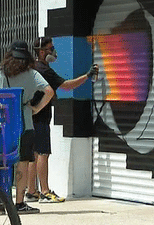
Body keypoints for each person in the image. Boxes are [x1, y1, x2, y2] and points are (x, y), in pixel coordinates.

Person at [25, 36, 98, 203]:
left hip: (30, 117)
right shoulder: (45, 71)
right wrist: (87, 76)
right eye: (50, 49)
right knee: (43, 153)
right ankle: (44, 191)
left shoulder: (32, 68)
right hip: (41, 117)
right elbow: (67, 85)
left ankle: (31, 191)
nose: (53, 51)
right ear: (42, 52)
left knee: (33, 155)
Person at [0, 40, 54, 213]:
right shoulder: (31, 73)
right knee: (23, 162)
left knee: (4, 162)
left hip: (2, 125)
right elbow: (49, 91)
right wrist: (36, 108)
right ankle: (19, 203)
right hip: (25, 122)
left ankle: (3, 202)